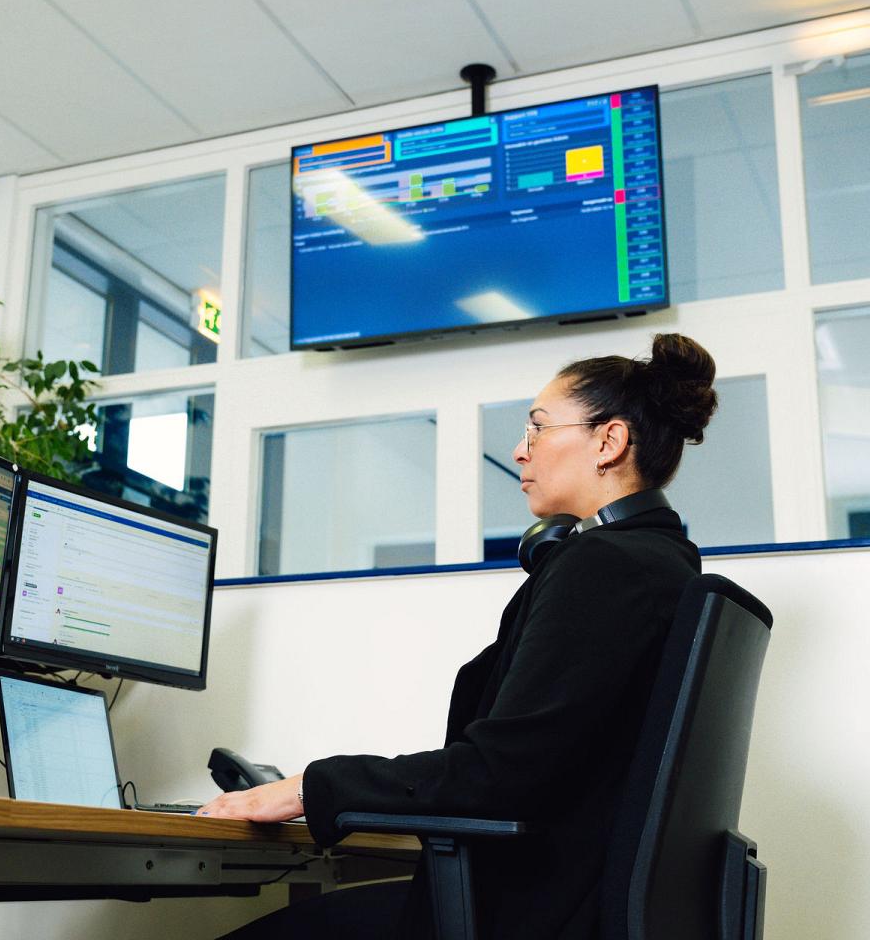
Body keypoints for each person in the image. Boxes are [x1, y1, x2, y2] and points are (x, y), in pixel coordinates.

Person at [197, 333, 719, 940]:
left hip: (528, 911)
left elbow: (497, 775)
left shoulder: (605, 567)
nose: (520, 452)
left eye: (538, 429)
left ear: (609, 441)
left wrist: (312, 787)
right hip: (563, 899)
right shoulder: (661, 561)